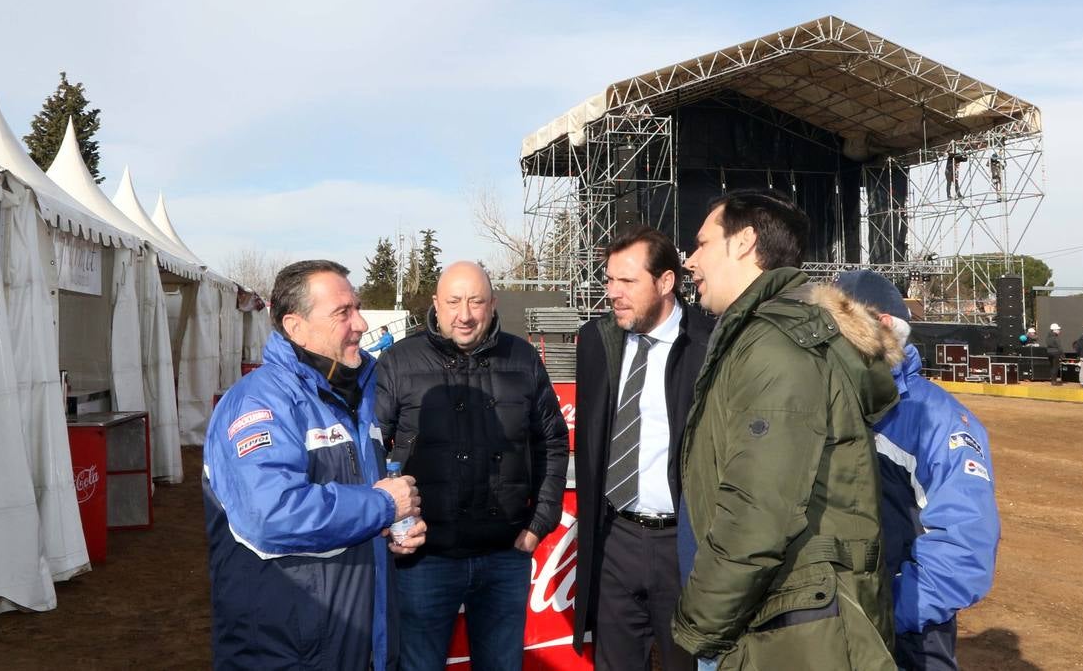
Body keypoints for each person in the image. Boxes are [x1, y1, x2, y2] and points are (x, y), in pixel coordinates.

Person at [672, 190, 900, 670]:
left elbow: (757, 510)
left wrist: (700, 625)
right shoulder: (759, 335)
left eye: (702, 243)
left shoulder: (775, 346)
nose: (691, 261)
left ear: (744, 242)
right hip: (780, 615)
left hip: (786, 627)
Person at [204, 259, 428, 671]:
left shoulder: (356, 397)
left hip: (360, 642)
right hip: (288, 652)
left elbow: (357, 503)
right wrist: (381, 507)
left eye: (357, 308)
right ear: (294, 326)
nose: (360, 323)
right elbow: (269, 515)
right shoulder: (259, 403)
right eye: (343, 312)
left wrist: (390, 532)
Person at [374, 261, 570, 671]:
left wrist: (540, 523)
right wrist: (388, 523)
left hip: (505, 556)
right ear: (435, 304)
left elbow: (552, 441)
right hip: (425, 560)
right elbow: (373, 448)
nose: (465, 314)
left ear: (493, 304)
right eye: (454, 302)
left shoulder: (524, 359)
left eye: (476, 301)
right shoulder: (398, 361)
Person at [835, 270, 1000, 671]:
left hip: (907, 634)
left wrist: (888, 609)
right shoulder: (823, 404)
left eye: (840, 326)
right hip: (828, 624)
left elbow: (965, 545)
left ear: (885, 326)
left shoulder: (940, 419)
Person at [572, 227, 713, 671]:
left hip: (683, 545)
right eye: (609, 280)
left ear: (666, 282)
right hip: (615, 539)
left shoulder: (711, 344)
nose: (613, 293)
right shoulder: (597, 341)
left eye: (627, 282)